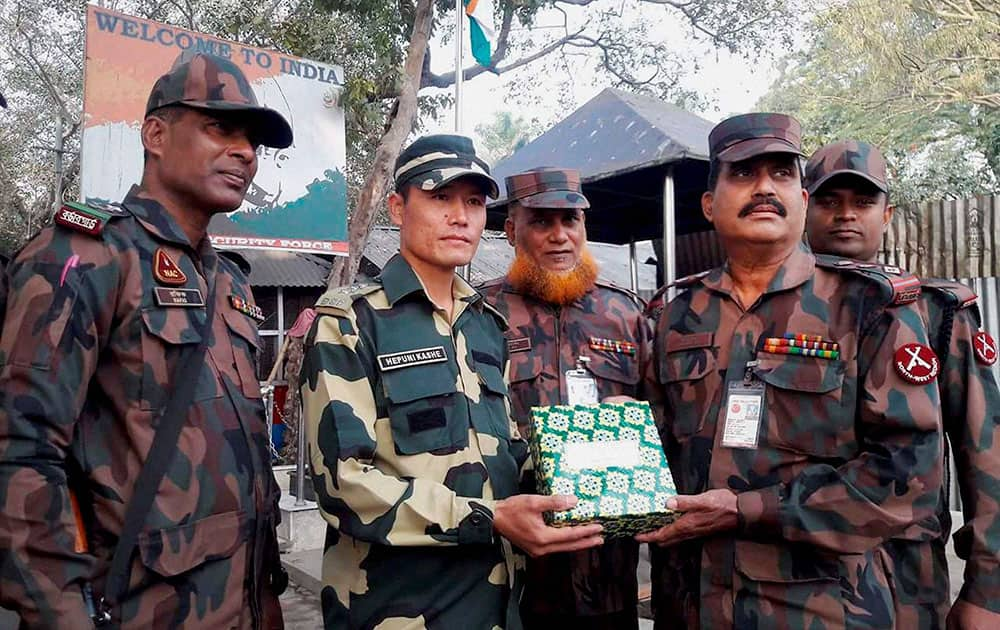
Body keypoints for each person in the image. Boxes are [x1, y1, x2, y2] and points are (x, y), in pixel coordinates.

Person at [0, 52, 291, 629]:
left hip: (245, 608)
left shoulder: (229, 281)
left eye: (253, 141)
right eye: (221, 128)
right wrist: (65, 615)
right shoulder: (82, 256)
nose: (245, 153)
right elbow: (18, 451)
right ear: (155, 133)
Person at [640, 113, 943, 629]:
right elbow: (654, 445)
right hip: (688, 602)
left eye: (781, 174)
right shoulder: (674, 313)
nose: (763, 188)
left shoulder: (868, 306)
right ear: (710, 205)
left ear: (803, 201)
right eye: (742, 174)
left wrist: (749, 509)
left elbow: (909, 475)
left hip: (819, 608)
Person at [298, 135, 605, 630]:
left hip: (496, 604)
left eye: (474, 202)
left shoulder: (486, 325)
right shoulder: (351, 322)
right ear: (398, 207)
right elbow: (342, 483)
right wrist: (488, 518)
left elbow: (508, 449)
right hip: (396, 609)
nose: (460, 216)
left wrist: (592, 474)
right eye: (440, 197)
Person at [804, 140, 1000, 630]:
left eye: (863, 202)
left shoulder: (935, 311)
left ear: (886, 214)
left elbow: (985, 453)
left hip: (902, 580)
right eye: (829, 201)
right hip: (792, 575)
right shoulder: (771, 309)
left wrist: (988, 588)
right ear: (805, 207)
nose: (845, 215)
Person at [480, 167, 650, 630]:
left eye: (570, 220)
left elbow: (662, 425)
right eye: (541, 222)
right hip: (510, 581)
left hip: (609, 578)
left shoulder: (626, 313)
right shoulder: (479, 314)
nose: (560, 237)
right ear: (512, 230)